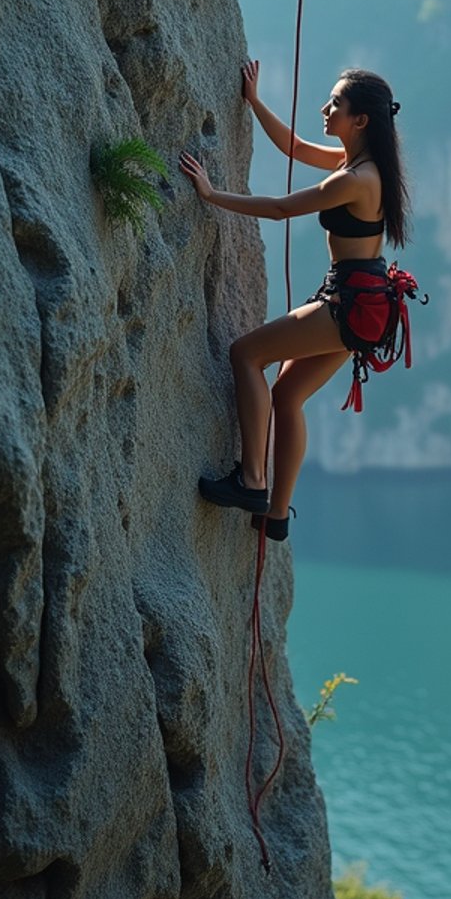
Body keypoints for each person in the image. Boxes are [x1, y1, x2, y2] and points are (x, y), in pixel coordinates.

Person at [179, 61, 411, 540]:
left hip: (349, 300)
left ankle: (252, 481)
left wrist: (210, 194)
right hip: (365, 303)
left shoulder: (355, 180)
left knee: (246, 354)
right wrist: (255, 102)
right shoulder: (363, 167)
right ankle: (276, 514)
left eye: (335, 104)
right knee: (288, 395)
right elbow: (296, 148)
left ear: (361, 119)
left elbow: (283, 208)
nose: (325, 109)